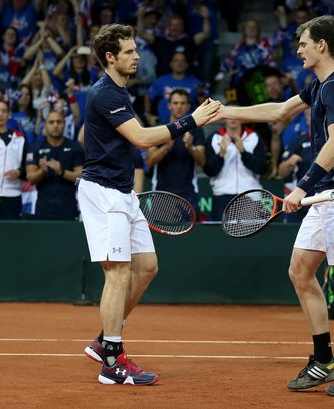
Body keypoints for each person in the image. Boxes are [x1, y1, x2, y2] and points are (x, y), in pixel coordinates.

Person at [214, 16, 334, 397]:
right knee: (300, 270)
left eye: (304, 44)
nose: (299, 50)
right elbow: (277, 110)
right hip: (326, 194)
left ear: (322, 46)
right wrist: (227, 112)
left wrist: (301, 186)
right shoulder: (320, 86)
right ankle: (325, 359)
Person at [78, 23, 219, 386]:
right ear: (110, 57)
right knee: (118, 272)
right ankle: (112, 360)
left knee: (147, 267)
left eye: (135, 49)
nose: (137, 56)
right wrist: (190, 120)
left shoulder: (120, 93)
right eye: (128, 51)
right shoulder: (106, 94)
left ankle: (104, 338)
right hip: (104, 194)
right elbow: (141, 138)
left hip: (124, 192)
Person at [146, 89, 205, 214]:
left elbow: (202, 161)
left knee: (193, 234)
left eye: (183, 103)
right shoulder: (158, 129)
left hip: (189, 194)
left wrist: (190, 147)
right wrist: (166, 146)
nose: (179, 107)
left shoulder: (196, 130)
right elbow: (150, 161)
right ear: (169, 106)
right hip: (161, 194)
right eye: (175, 103)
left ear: (188, 106)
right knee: (159, 234)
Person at [203, 112, 268, 221]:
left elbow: (262, 169)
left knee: (250, 235)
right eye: (229, 115)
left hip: (250, 194)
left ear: (242, 118)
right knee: (220, 236)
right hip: (222, 195)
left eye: (236, 115)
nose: (233, 118)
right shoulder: (215, 138)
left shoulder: (253, 137)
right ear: (224, 117)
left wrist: (243, 152)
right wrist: (221, 155)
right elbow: (209, 171)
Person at [25, 110, 83, 220]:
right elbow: (31, 179)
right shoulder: (35, 147)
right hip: (43, 209)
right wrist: (42, 171)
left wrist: (62, 172)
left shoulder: (75, 147)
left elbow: (80, 180)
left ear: (64, 124)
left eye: (59, 122)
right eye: (51, 122)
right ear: (45, 125)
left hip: (68, 209)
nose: (55, 125)